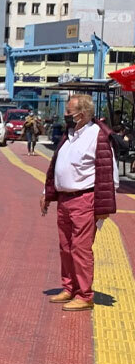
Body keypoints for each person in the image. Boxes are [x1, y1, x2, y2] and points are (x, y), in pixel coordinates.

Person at [41, 94, 119, 312]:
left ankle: (84, 295)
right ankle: (69, 287)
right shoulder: (70, 135)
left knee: (80, 249)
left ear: (82, 114)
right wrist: (46, 193)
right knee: (65, 247)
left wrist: (104, 207)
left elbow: (109, 172)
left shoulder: (98, 136)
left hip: (85, 200)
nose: (65, 116)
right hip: (64, 200)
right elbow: (58, 164)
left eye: (69, 112)